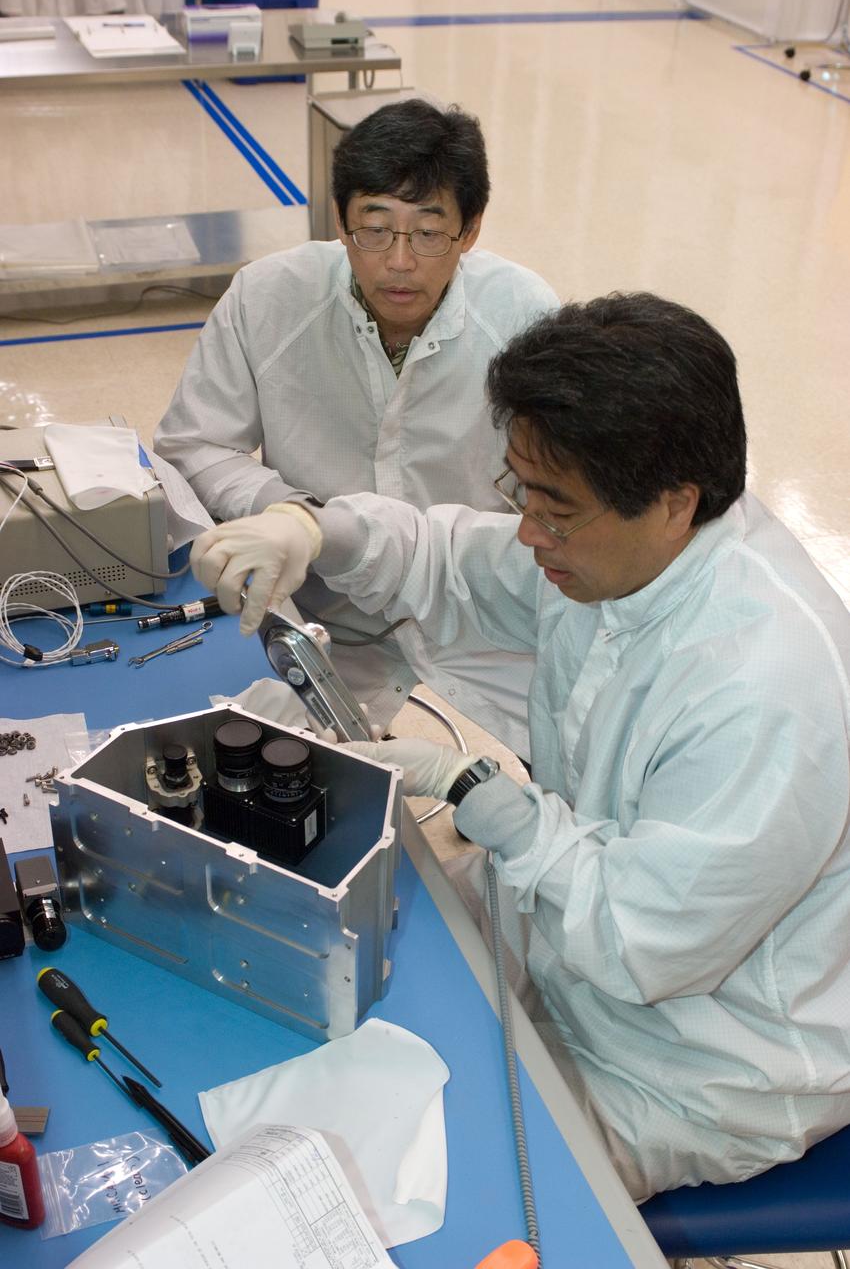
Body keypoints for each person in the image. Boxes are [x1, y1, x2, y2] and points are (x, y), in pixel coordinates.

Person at [190, 292, 850, 1202]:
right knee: (314, 1017)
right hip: (565, 952)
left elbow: (637, 944)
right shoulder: (626, 556)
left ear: (674, 502)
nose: (530, 531)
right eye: (521, 491)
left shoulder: (766, 690)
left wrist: (480, 792)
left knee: (426, 1200)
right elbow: (454, 558)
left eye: (555, 508)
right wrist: (313, 529)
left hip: (693, 1065)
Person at [154, 97, 558, 758]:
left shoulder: (523, 317)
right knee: (262, 764)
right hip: (320, 601)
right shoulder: (268, 298)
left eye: (429, 234)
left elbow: (563, 484)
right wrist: (292, 517)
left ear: (472, 229)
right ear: (340, 223)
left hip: (471, 605)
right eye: (375, 229)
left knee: (575, 751)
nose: (400, 262)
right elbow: (194, 444)